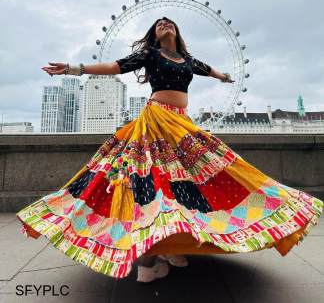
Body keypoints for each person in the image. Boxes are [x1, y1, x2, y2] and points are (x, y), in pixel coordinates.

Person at [16, 17, 323, 283]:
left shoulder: (188, 60)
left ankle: (173, 246)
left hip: (182, 125)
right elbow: (116, 66)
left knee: (194, 182)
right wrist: (74, 68)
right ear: (155, 34)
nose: (164, 24)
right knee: (155, 184)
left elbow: (209, 70)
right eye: (159, 24)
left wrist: (225, 76)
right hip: (157, 122)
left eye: (169, 22)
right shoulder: (150, 54)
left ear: (176, 31)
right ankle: (148, 261)